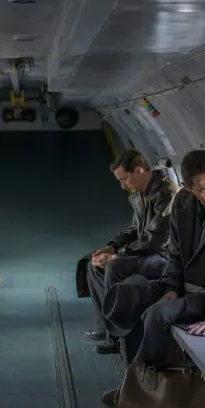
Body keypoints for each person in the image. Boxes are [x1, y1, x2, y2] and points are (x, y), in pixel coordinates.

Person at [100, 149, 205, 403]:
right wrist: (171, 287)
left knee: (157, 314)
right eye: (203, 190)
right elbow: (175, 254)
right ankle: (136, 373)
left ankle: (137, 392)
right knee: (128, 294)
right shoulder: (183, 202)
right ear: (188, 188)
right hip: (189, 284)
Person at [82, 149, 178, 354]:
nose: (122, 185)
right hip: (146, 252)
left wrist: (117, 255)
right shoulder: (139, 195)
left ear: (139, 170)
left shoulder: (167, 194)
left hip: (164, 257)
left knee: (115, 266)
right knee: (93, 264)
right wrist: (112, 246)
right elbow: (134, 230)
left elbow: (156, 239)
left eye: (124, 179)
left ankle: (118, 337)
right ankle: (106, 326)